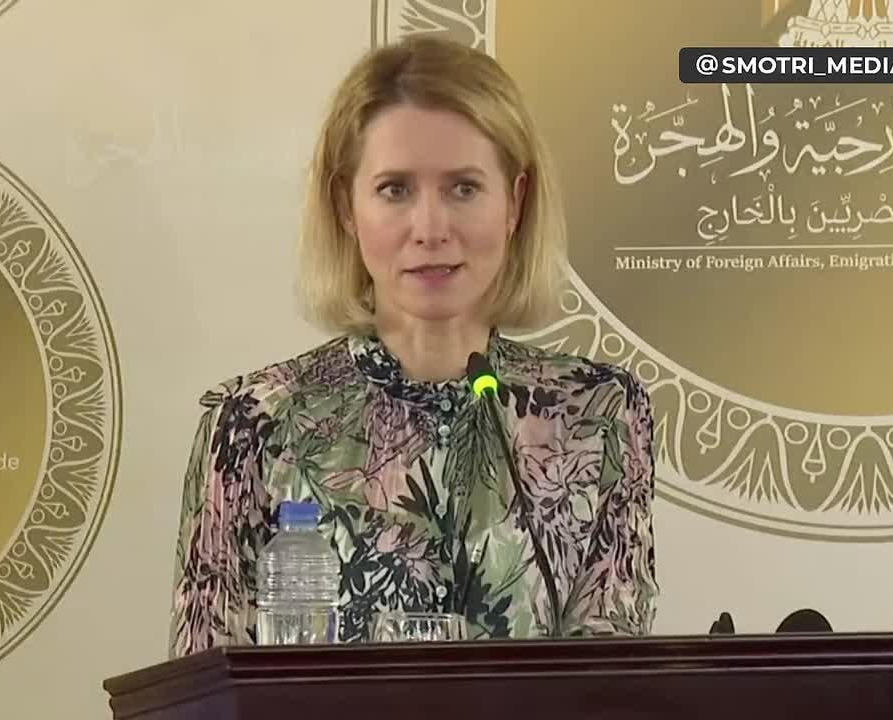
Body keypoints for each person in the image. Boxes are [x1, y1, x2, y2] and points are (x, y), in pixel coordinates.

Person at [168, 34, 658, 658]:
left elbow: (613, 681)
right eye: (395, 189)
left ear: (515, 202)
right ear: (346, 206)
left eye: (463, 188)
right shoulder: (254, 424)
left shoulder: (601, 414)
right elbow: (207, 685)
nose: (430, 229)